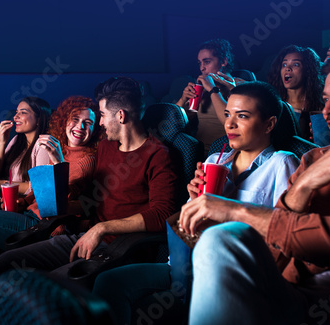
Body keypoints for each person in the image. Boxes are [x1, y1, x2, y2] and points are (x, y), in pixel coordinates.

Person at [184, 47, 330, 324]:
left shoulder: (284, 160)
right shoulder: (314, 160)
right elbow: (274, 258)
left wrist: (237, 211)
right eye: (326, 98)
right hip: (295, 293)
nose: (328, 110)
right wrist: (302, 187)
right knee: (219, 240)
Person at [92, 81, 301, 325]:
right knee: (107, 282)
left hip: (235, 269)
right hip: (185, 262)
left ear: (269, 124)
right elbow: (189, 225)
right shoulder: (216, 159)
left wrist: (225, 203)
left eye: (242, 116)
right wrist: (193, 200)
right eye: (227, 115)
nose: (230, 124)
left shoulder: (282, 163)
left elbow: (286, 233)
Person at [0, 77, 178, 278]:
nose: (101, 122)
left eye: (103, 115)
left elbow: (163, 214)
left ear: (121, 116)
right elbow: (87, 199)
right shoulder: (106, 147)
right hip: (87, 236)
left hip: (121, 248)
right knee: (3, 264)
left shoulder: (158, 155)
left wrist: (102, 228)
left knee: (48, 285)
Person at [0, 96, 102, 250]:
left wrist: (58, 162)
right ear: (64, 121)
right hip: (28, 214)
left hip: (45, 227)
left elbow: (56, 204)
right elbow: (39, 190)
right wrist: (22, 203)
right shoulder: (59, 147)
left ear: (95, 130)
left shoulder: (86, 160)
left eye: (88, 123)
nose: (80, 127)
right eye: (75, 119)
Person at [175, 38, 244, 155]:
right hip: (197, 151)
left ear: (223, 61)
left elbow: (230, 121)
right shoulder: (201, 89)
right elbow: (174, 123)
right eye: (199, 63)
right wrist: (183, 100)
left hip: (226, 152)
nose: (202, 68)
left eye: (206, 62)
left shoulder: (240, 86)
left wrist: (212, 90)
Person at [268, 44, 330, 146]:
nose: (287, 68)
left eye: (295, 64)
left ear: (308, 70)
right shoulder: (273, 105)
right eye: (284, 65)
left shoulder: (322, 106)